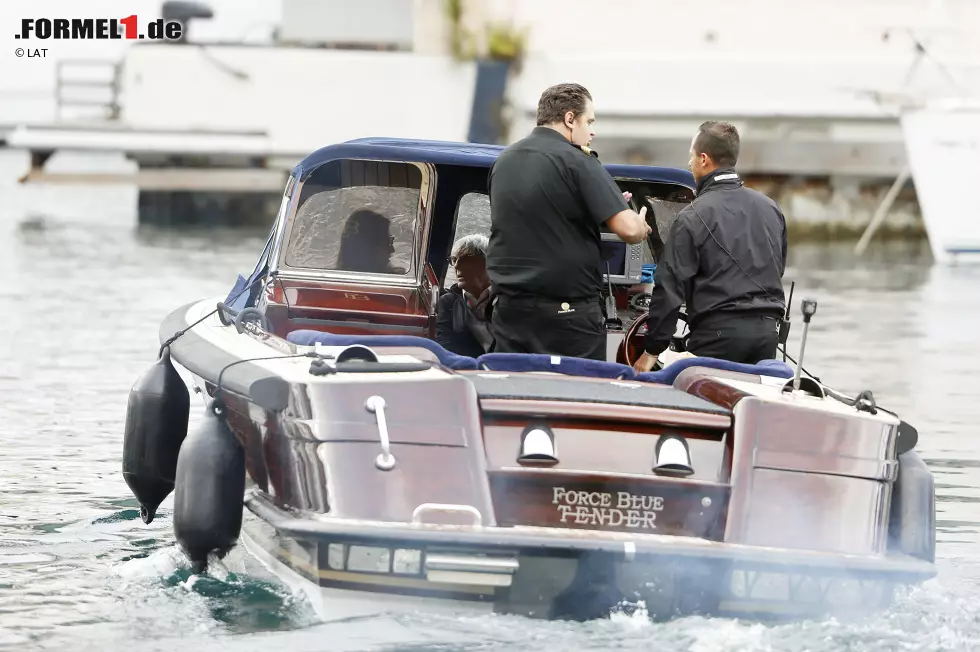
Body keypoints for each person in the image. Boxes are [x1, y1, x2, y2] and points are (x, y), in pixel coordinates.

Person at [485, 82, 651, 361]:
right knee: (573, 399)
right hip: (567, 320)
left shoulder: (504, 161)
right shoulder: (579, 162)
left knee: (516, 395)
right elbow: (630, 230)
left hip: (510, 314)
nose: (592, 131)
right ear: (570, 119)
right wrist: (641, 222)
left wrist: (600, 207)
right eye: (589, 121)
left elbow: (540, 216)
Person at [633, 121, 788, 372]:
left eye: (691, 157)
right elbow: (776, 269)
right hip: (768, 336)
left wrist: (652, 350)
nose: (689, 164)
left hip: (717, 338)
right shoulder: (771, 208)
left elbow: (669, 289)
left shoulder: (691, 216)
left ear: (704, 159)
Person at [436, 234, 493, 357]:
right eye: (454, 260)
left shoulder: (506, 298)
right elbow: (444, 346)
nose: (456, 266)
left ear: (488, 261)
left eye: (465, 259)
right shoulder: (448, 302)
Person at [335, 209, 405, 274]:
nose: (392, 250)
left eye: (391, 241)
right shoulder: (390, 282)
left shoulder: (334, 280)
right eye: (387, 243)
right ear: (367, 249)